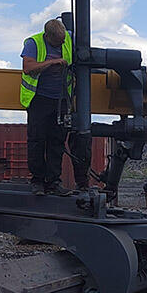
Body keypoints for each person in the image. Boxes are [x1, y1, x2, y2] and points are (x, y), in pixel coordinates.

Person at [20, 18, 91, 195]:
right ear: (48, 37)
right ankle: (37, 181)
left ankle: (53, 182)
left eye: (64, 39)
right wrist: (52, 62)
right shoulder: (33, 43)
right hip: (39, 100)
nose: (63, 43)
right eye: (58, 41)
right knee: (37, 140)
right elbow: (28, 68)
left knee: (56, 142)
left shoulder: (68, 38)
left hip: (61, 101)